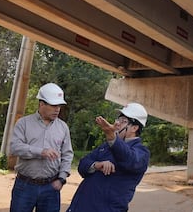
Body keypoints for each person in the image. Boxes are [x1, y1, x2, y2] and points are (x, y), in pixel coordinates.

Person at [66, 103, 150, 212]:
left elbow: (128, 158)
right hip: (81, 206)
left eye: (123, 121)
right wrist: (97, 165)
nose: (117, 123)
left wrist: (112, 138)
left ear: (134, 127)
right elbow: (83, 165)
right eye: (118, 119)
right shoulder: (106, 146)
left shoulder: (141, 152)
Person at [9, 83, 73, 212]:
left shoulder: (63, 127)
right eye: (54, 105)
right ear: (41, 104)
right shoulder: (24, 123)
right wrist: (41, 152)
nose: (57, 109)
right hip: (25, 186)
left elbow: (67, 154)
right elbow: (15, 147)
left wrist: (61, 179)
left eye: (59, 105)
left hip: (51, 187)